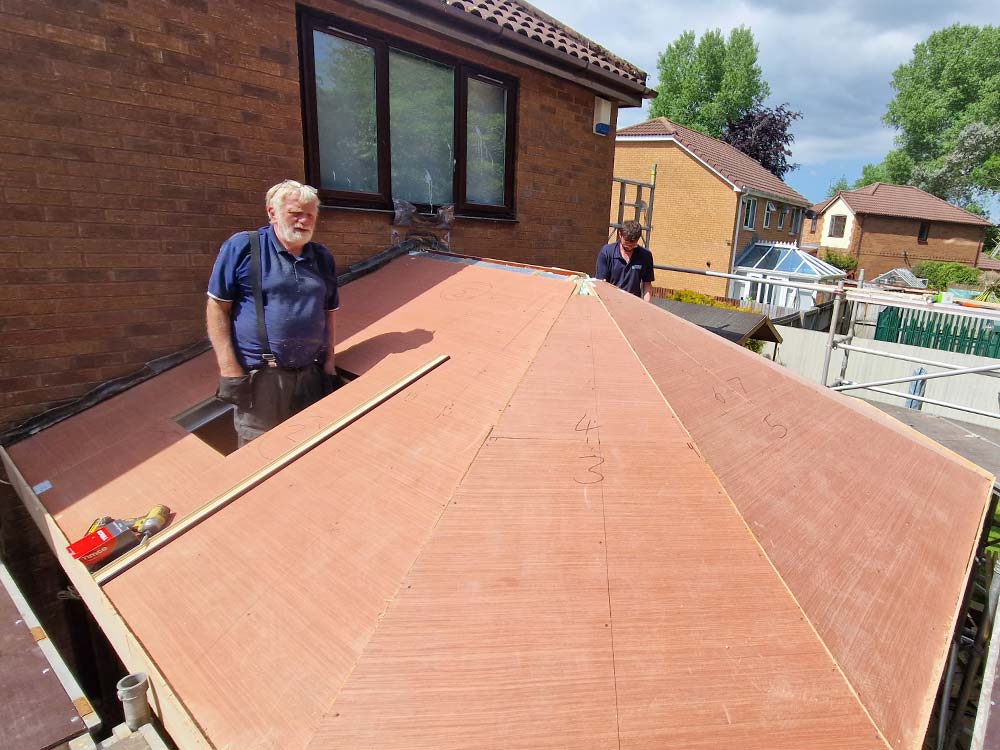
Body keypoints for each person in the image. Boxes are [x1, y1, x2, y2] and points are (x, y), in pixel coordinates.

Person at [206, 180, 341, 446]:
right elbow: (217, 307)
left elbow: (328, 312)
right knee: (260, 452)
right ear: (272, 212)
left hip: (310, 375)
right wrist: (229, 369)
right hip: (261, 379)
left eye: (310, 215)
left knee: (310, 446)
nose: (304, 221)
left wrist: (329, 364)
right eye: (296, 213)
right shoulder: (244, 247)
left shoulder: (322, 257)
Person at [595, 219, 654, 302]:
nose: (629, 247)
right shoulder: (607, 252)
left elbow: (647, 283)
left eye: (633, 244)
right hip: (610, 301)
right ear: (620, 234)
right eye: (626, 243)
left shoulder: (645, 256)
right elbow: (601, 282)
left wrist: (647, 305)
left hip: (633, 303)